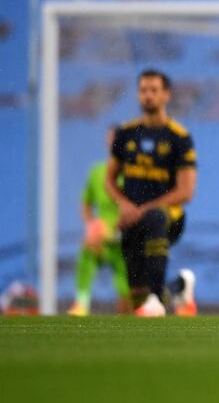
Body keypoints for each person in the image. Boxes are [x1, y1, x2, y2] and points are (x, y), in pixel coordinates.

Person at [106, 69, 198, 317]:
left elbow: (186, 191)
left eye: (154, 90)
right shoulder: (126, 134)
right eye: (143, 90)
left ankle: (157, 296)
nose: (148, 95)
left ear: (166, 95)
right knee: (138, 298)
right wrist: (124, 205)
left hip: (169, 217)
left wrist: (142, 209)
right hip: (131, 217)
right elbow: (109, 180)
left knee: (154, 218)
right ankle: (177, 287)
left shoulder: (179, 138)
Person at [67, 125, 131, 316]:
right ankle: (81, 303)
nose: (111, 144)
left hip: (126, 237)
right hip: (101, 236)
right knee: (87, 251)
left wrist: (117, 230)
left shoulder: (133, 173)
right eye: (109, 140)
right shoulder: (97, 172)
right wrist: (91, 225)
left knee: (127, 299)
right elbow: (86, 202)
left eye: (116, 140)